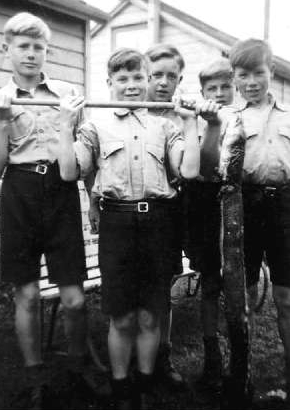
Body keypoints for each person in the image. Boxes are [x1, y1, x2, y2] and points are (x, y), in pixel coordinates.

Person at [58, 47, 201, 410]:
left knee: (152, 313)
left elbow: (187, 171)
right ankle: (122, 387)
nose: (132, 85)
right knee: (122, 316)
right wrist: (64, 124)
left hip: (158, 223)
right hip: (117, 224)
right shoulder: (95, 126)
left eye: (139, 77)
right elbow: (69, 171)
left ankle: (146, 380)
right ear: (109, 84)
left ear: (147, 80)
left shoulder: (165, 125)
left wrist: (190, 123)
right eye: (122, 79)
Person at [0, 12, 91, 408]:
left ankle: (77, 371)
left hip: (61, 191)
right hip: (19, 193)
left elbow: (85, 151)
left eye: (38, 47)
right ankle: (35, 381)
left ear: (48, 51)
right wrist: (0, 121)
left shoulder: (68, 93)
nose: (31, 54)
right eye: (23, 46)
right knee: (26, 296)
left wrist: (92, 196)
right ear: (6, 49)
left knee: (75, 299)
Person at [203, 38, 290, 404]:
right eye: (243, 75)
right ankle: (242, 376)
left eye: (258, 73)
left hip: (286, 206)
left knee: (287, 297)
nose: (251, 81)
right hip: (243, 208)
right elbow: (210, 170)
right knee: (242, 296)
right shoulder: (228, 118)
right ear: (234, 79)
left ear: (271, 72)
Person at [185, 58, 236, 398]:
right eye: (211, 88)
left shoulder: (244, 117)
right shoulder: (201, 119)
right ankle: (212, 359)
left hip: (237, 205)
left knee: (237, 285)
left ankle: (238, 357)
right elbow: (205, 163)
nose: (218, 93)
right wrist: (212, 124)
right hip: (204, 206)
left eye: (224, 87)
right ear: (203, 92)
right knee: (210, 284)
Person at [144, 43, 185, 388]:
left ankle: (163, 355)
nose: (163, 82)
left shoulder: (182, 116)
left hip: (170, 211)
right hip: (131, 214)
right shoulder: (128, 111)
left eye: (171, 75)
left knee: (162, 286)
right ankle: (133, 356)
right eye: (156, 74)